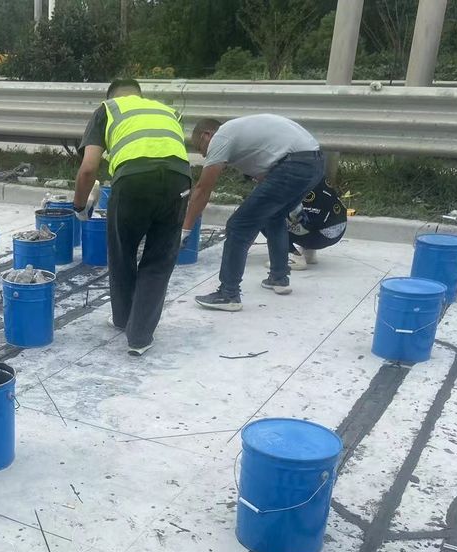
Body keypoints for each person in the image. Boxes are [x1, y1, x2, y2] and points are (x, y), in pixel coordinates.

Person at [73, 78, 191, 356]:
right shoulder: (168, 111)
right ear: (139, 94)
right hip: (179, 181)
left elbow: (89, 168)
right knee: (159, 259)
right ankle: (140, 337)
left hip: (133, 180)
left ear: (111, 96)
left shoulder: (108, 109)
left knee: (122, 251)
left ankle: (123, 318)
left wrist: (79, 206)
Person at [184, 114, 325, 312]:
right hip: (315, 163)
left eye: (201, 149)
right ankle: (279, 277)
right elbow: (266, 179)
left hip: (295, 164)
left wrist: (185, 230)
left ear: (207, 135)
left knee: (238, 226)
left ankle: (228, 294)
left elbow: (202, 189)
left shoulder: (221, 136)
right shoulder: (243, 141)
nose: (205, 156)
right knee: (274, 216)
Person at [286, 177, 348, 269]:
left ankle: (292, 257)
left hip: (317, 235)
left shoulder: (284, 178)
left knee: (268, 218)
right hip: (338, 230)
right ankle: (309, 253)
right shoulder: (315, 173)